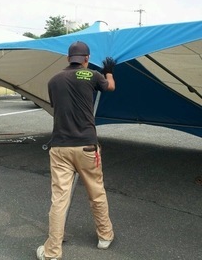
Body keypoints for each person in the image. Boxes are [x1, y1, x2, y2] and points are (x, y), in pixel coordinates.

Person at [36, 41, 116, 260]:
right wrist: (108, 73)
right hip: (87, 147)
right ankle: (105, 236)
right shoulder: (91, 75)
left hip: (60, 147)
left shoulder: (53, 80)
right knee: (96, 193)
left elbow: (57, 105)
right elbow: (110, 87)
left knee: (59, 199)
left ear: (68, 58)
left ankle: (52, 251)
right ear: (87, 59)